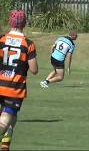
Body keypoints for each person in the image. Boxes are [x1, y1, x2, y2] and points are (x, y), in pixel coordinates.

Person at [0, 10, 38, 150]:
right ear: (24, 23)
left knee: (11, 119)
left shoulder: (1, 39)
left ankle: (5, 146)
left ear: (10, 22)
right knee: (5, 118)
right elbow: (34, 70)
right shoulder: (28, 44)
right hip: (14, 88)